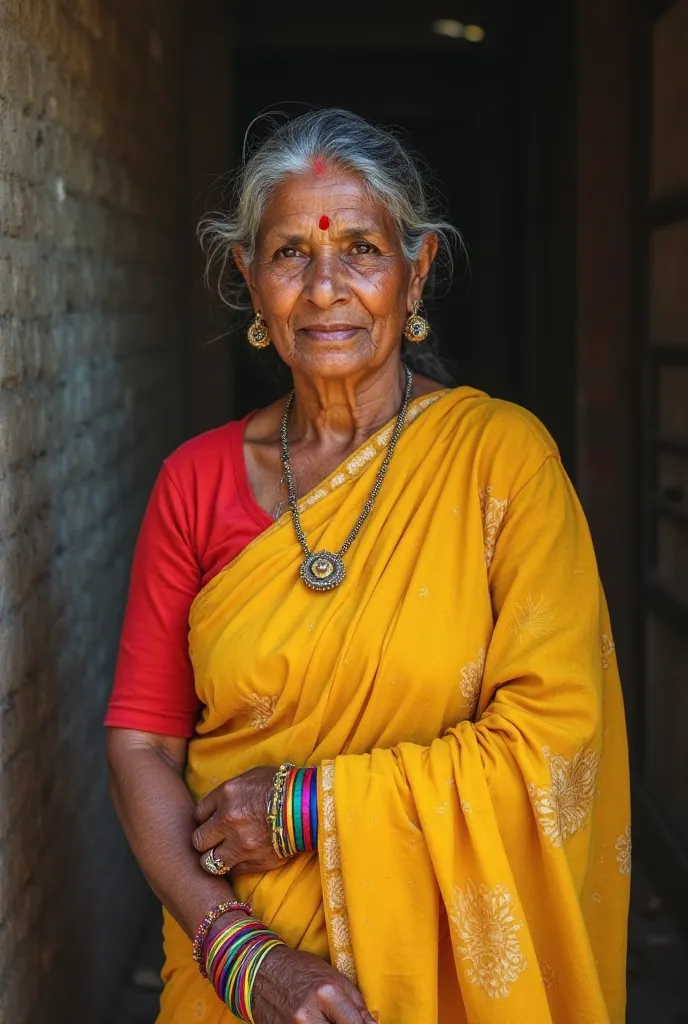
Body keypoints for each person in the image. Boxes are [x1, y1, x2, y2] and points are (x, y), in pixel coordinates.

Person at [105, 108, 630, 1024]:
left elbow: (557, 741)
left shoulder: (501, 463)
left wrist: (309, 808)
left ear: (416, 270)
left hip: (448, 971)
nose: (324, 290)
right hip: (238, 973)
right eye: (289, 256)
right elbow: (142, 746)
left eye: (361, 251)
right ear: (248, 279)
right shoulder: (193, 483)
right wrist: (239, 952)